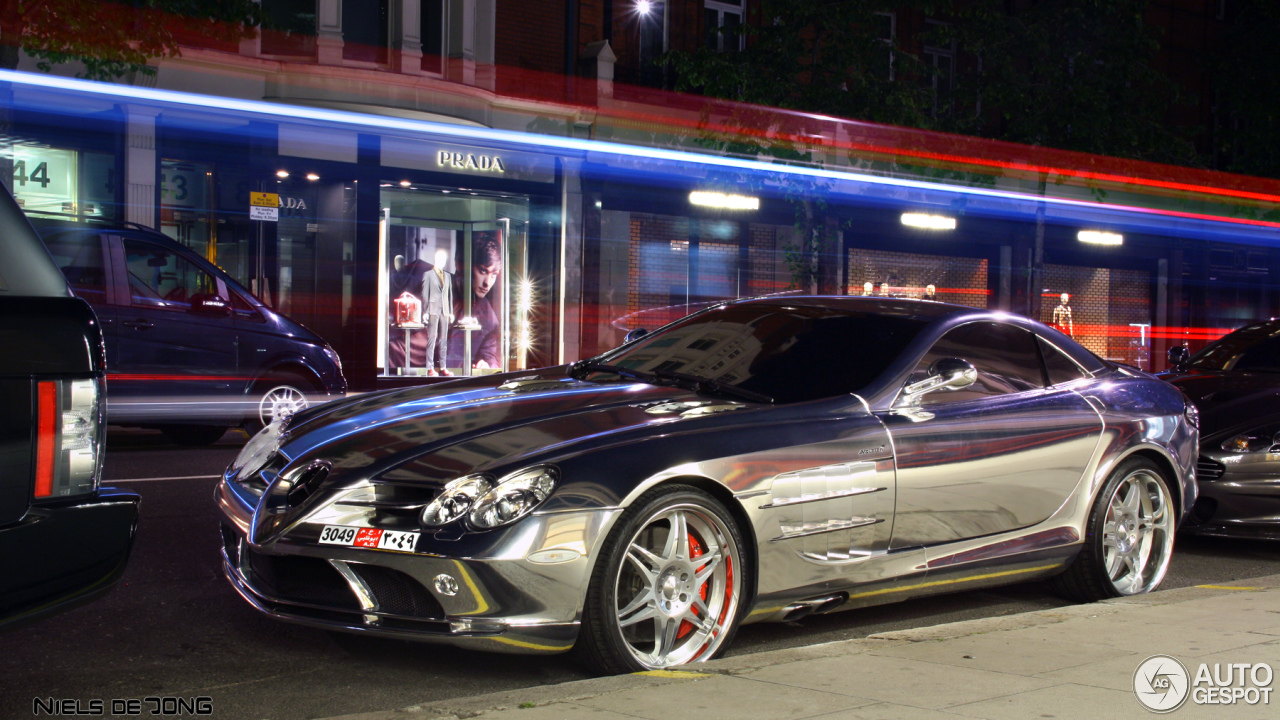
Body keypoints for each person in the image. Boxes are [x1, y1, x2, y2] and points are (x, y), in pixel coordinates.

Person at [450, 232, 502, 370]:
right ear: (462, 265)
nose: (487, 283)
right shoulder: (437, 289)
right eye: (483, 271)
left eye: (494, 274)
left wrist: (486, 364)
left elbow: (490, 358)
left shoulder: (489, 318)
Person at [423, 247, 454, 376]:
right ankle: (430, 367)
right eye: (440, 259)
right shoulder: (428, 275)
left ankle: (443, 367)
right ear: (436, 259)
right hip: (433, 310)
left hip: (445, 311)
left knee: (443, 340)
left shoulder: (447, 276)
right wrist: (425, 311)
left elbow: (449, 295)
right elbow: (425, 294)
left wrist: (451, 312)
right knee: (432, 339)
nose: (443, 261)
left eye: (444, 259)